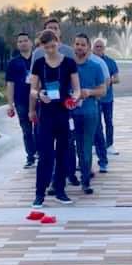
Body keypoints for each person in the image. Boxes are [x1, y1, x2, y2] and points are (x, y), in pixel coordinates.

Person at [29, 29, 80, 206]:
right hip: (46, 115)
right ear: (42, 46)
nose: (51, 49)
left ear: (58, 42)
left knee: (63, 153)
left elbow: (77, 88)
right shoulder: (39, 63)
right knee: (45, 155)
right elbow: (33, 89)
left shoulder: (69, 63)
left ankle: (60, 190)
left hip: (64, 113)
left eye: (53, 45)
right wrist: (39, 95)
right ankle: (39, 194)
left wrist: (75, 97)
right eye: (47, 47)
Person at [72, 33, 106, 195]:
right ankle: (62, 178)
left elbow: (103, 90)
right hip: (70, 114)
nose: (79, 47)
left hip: (89, 113)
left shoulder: (95, 66)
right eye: (77, 44)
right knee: (69, 148)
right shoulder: (67, 66)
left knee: (85, 148)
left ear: (88, 47)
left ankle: (85, 181)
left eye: (82, 44)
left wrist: (89, 92)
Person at [5, 32, 37, 168]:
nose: (23, 43)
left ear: (31, 43)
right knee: (26, 130)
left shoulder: (38, 59)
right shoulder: (13, 63)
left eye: (25, 40)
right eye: (20, 41)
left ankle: (42, 153)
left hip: (38, 100)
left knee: (40, 129)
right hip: (21, 101)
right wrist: (10, 104)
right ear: (17, 45)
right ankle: (30, 156)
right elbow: (10, 84)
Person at [92, 36, 120, 157]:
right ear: (93, 48)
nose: (98, 48)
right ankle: (95, 144)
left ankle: (109, 145)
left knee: (108, 122)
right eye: (96, 46)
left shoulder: (110, 62)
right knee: (95, 123)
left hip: (107, 98)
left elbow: (117, 78)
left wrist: (108, 82)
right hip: (94, 98)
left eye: (101, 46)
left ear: (104, 48)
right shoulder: (90, 61)